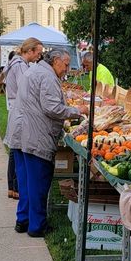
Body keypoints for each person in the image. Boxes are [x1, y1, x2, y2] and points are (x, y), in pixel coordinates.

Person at [15, 48, 88, 237]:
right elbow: (52, 108)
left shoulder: (37, 70)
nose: (66, 69)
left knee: (30, 183)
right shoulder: (46, 76)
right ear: (55, 61)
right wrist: (76, 111)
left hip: (28, 131)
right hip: (38, 134)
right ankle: (37, 226)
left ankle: (24, 220)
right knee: (39, 183)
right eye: (65, 65)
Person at [3, 38, 43, 200]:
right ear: (30, 51)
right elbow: (25, 89)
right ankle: (16, 187)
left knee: (15, 149)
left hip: (16, 107)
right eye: (38, 53)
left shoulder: (18, 63)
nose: (39, 57)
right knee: (17, 149)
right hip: (19, 110)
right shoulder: (20, 65)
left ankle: (13, 187)